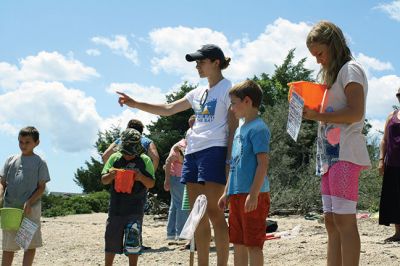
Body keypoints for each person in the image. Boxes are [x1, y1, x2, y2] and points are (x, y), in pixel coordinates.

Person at [117, 44, 237, 266]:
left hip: (215, 150)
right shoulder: (197, 93)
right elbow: (168, 108)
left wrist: (228, 159)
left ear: (216, 62)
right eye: (196, 63)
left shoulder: (228, 89)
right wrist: (135, 104)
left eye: (201, 62)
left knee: (214, 211)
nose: (197, 66)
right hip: (192, 153)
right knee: (196, 214)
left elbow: (233, 124)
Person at [303, 21, 371, 266]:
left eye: (320, 53)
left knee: (344, 221)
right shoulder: (335, 76)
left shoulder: (351, 70)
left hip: (345, 155)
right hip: (329, 157)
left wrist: (318, 115)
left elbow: (355, 112)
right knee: (331, 221)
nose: (318, 60)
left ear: (333, 45)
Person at [218, 80, 271, 266]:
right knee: (238, 243)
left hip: (254, 195)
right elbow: (234, 165)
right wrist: (226, 192)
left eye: (234, 103)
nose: (232, 108)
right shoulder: (240, 129)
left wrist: (254, 194)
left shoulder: (259, 128)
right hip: (237, 195)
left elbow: (262, 164)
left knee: (254, 244)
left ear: (247, 101)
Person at [101, 128, 155, 266]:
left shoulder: (145, 160)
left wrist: (140, 177)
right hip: (116, 209)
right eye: (125, 152)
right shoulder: (114, 158)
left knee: (133, 243)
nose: (127, 156)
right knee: (111, 240)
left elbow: (151, 183)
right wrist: (111, 175)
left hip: (135, 210)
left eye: (130, 153)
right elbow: (104, 180)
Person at [0, 126, 50, 266]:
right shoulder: (10, 159)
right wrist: (0, 195)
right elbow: (2, 183)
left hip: (30, 210)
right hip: (10, 209)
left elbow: (41, 187)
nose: (23, 145)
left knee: (28, 246)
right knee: (8, 247)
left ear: (36, 143)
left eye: (27, 142)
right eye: (20, 142)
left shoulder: (40, 162)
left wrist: (29, 201)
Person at [164, 115, 195, 240]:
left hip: (177, 178)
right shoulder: (180, 146)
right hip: (178, 178)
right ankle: (181, 234)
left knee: (175, 205)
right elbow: (168, 162)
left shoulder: (184, 144)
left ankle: (171, 234)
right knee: (182, 205)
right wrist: (167, 180)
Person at [378, 87, 400, 242]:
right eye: (399, 94)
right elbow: (384, 140)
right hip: (392, 164)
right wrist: (381, 160)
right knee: (394, 199)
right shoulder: (391, 116)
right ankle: (398, 233)